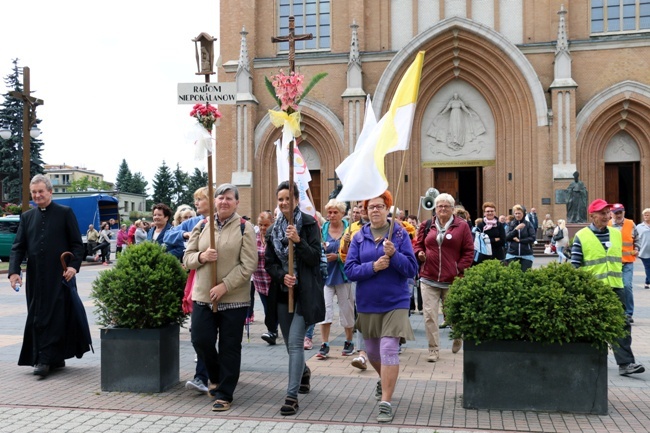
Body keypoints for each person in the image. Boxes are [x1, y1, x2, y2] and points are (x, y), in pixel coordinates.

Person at [344, 190, 418, 423]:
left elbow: (411, 269)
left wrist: (394, 254)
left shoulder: (399, 234)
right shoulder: (358, 237)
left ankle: (386, 402)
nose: (374, 210)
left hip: (395, 302)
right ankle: (384, 379)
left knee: (388, 350)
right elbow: (350, 271)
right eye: (370, 207)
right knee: (374, 354)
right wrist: (373, 267)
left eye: (379, 206)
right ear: (365, 212)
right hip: (367, 303)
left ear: (388, 209)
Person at [183, 183, 257, 412]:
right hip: (204, 295)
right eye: (220, 198)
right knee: (201, 340)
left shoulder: (245, 228)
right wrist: (203, 256)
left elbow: (248, 265)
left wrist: (225, 286)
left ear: (236, 202)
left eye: (228, 198)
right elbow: (187, 259)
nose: (224, 201)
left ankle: (225, 393)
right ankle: (215, 376)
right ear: (214, 201)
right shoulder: (202, 225)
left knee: (229, 347)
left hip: (233, 297)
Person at [8, 174, 87, 378]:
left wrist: (73, 267)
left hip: (60, 275)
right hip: (35, 277)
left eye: (41, 191)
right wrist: (14, 272)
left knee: (56, 316)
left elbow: (78, 245)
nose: (37, 195)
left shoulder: (65, 213)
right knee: (37, 315)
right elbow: (18, 247)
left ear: (50, 192)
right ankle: (49, 357)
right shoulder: (27, 217)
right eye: (34, 192)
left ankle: (45, 359)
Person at [265, 181, 325, 416]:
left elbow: (313, 258)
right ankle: (304, 372)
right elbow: (269, 263)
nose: (284, 203)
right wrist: (282, 277)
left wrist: (298, 241)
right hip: (282, 293)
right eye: (280, 199)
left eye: (288, 199)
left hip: (305, 293)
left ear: (297, 200)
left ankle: (291, 397)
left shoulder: (310, 224)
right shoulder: (272, 230)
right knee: (291, 345)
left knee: (295, 343)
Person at [570, 199, 645, 377]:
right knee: (590, 325)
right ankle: (586, 360)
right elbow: (575, 265)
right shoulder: (582, 236)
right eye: (602, 213)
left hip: (616, 288)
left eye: (607, 213)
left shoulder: (616, 234)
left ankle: (626, 364)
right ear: (592, 215)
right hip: (593, 289)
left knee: (622, 324)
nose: (606, 216)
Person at [413, 193, 473, 363]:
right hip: (428, 277)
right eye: (439, 206)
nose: (442, 209)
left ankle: (457, 336)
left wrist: (458, 269)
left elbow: (469, 251)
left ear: (453, 209)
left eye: (446, 206)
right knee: (429, 315)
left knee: (452, 315)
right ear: (435, 208)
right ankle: (433, 349)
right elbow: (417, 244)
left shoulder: (461, 226)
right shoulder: (427, 225)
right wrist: (420, 254)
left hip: (452, 279)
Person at [164, 187, 213, 394]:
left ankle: (216, 373)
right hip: (199, 283)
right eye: (195, 200)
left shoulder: (223, 222)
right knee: (200, 335)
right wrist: (185, 233)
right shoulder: (194, 222)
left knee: (218, 336)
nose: (196, 204)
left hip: (221, 285)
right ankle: (202, 376)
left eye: (199, 199)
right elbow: (169, 236)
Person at [316, 199, 355, 359]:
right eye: (329, 212)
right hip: (325, 276)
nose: (331, 215)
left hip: (344, 276)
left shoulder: (349, 229)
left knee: (347, 310)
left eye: (335, 212)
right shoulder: (322, 229)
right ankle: (324, 344)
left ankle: (349, 341)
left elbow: (354, 252)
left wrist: (338, 257)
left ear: (342, 214)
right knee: (325, 309)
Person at [340, 200, 371, 370]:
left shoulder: (391, 227)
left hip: (383, 281)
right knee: (361, 315)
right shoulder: (352, 229)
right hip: (360, 278)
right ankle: (362, 354)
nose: (363, 209)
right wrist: (345, 243)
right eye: (360, 206)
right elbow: (344, 257)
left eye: (366, 206)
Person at [608, 203, 639, 323]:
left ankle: (628, 313)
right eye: (616, 213)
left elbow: (637, 238)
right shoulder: (608, 225)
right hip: (612, 262)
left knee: (626, 285)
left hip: (627, 262)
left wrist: (637, 248)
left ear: (624, 212)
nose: (618, 215)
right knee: (614, 287)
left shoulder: (631, 224)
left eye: (620, 212)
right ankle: (614, 311)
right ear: (612, 214)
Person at [254, 211, 280, 346]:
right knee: (266, 307)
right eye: (260, 225)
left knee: (273, 307)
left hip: (273, 279)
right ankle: (272, 329)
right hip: (259, 278)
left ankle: (272, 331)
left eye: (266, 225)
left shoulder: (275, 236)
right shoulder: (254, 237)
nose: (263, 228)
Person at [505, 204, 536, 271]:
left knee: (525, 275)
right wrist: (516, 229)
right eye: (516, 213)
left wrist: (520, 240)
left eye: (519, 213)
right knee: (513, 275)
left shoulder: (528, 224)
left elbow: (532, 238)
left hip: (526, 254)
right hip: (512, 254)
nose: (517, 215)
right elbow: (507, 237)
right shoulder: (510, 224)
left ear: (523, 214)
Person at [637, 208, 650, 290]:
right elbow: (636, 238)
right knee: (648, 267)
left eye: (648, 215)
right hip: (644, 251)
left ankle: (647, 282)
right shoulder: (639, 227)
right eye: (645, 215)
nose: (646, 216)